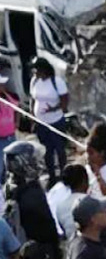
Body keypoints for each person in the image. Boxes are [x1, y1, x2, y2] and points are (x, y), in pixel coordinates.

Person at [3, 141, 61, 259]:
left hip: (23, 251)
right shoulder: (32, 194)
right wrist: (56, 251)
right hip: (40, 254)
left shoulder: (9, 186)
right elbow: (47, 228)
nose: (38, 162)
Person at [30, 56, 68, 184]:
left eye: (37, 70)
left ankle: (64, 174)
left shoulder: (57, 82)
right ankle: (52, 176)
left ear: (43, 70)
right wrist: (32, 116)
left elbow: (64, 101)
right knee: (47, 150)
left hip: (56, 121)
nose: (35, 73)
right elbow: (32, 99)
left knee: (60, 149)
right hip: (41, 123)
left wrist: (53, 109)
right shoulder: (34, 81)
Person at [56, 164, 90, 240]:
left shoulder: (60, 207)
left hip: (72, 247)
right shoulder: (90, 201)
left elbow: (64, 229)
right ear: (84, 181)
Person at [0, 73, 19, 182]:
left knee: (12, 164)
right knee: (0, 166)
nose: (3, 86)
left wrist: (17, 122)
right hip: (0, 139)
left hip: (11, 137)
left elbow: (17, 108)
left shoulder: (9, 97)